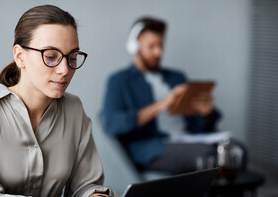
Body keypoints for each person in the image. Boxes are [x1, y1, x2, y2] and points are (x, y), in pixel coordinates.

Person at [0, 5, 120, 197]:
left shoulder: (73, 109)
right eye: (51, 56)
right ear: (20, 56)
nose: (65, 69)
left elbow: (84, 184)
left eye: (72, 57)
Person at [102, 17, 238, 175]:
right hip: (153, 148)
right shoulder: (119, 81)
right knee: (206, 156)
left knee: (237, 151)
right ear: (135, 46)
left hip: (188, 139)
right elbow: (112, 124)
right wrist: (163, 104)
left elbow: (198, 126)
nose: (158, 52)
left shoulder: (176, 78)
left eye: (160, 45)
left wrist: (206, 113)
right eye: (151, 46)